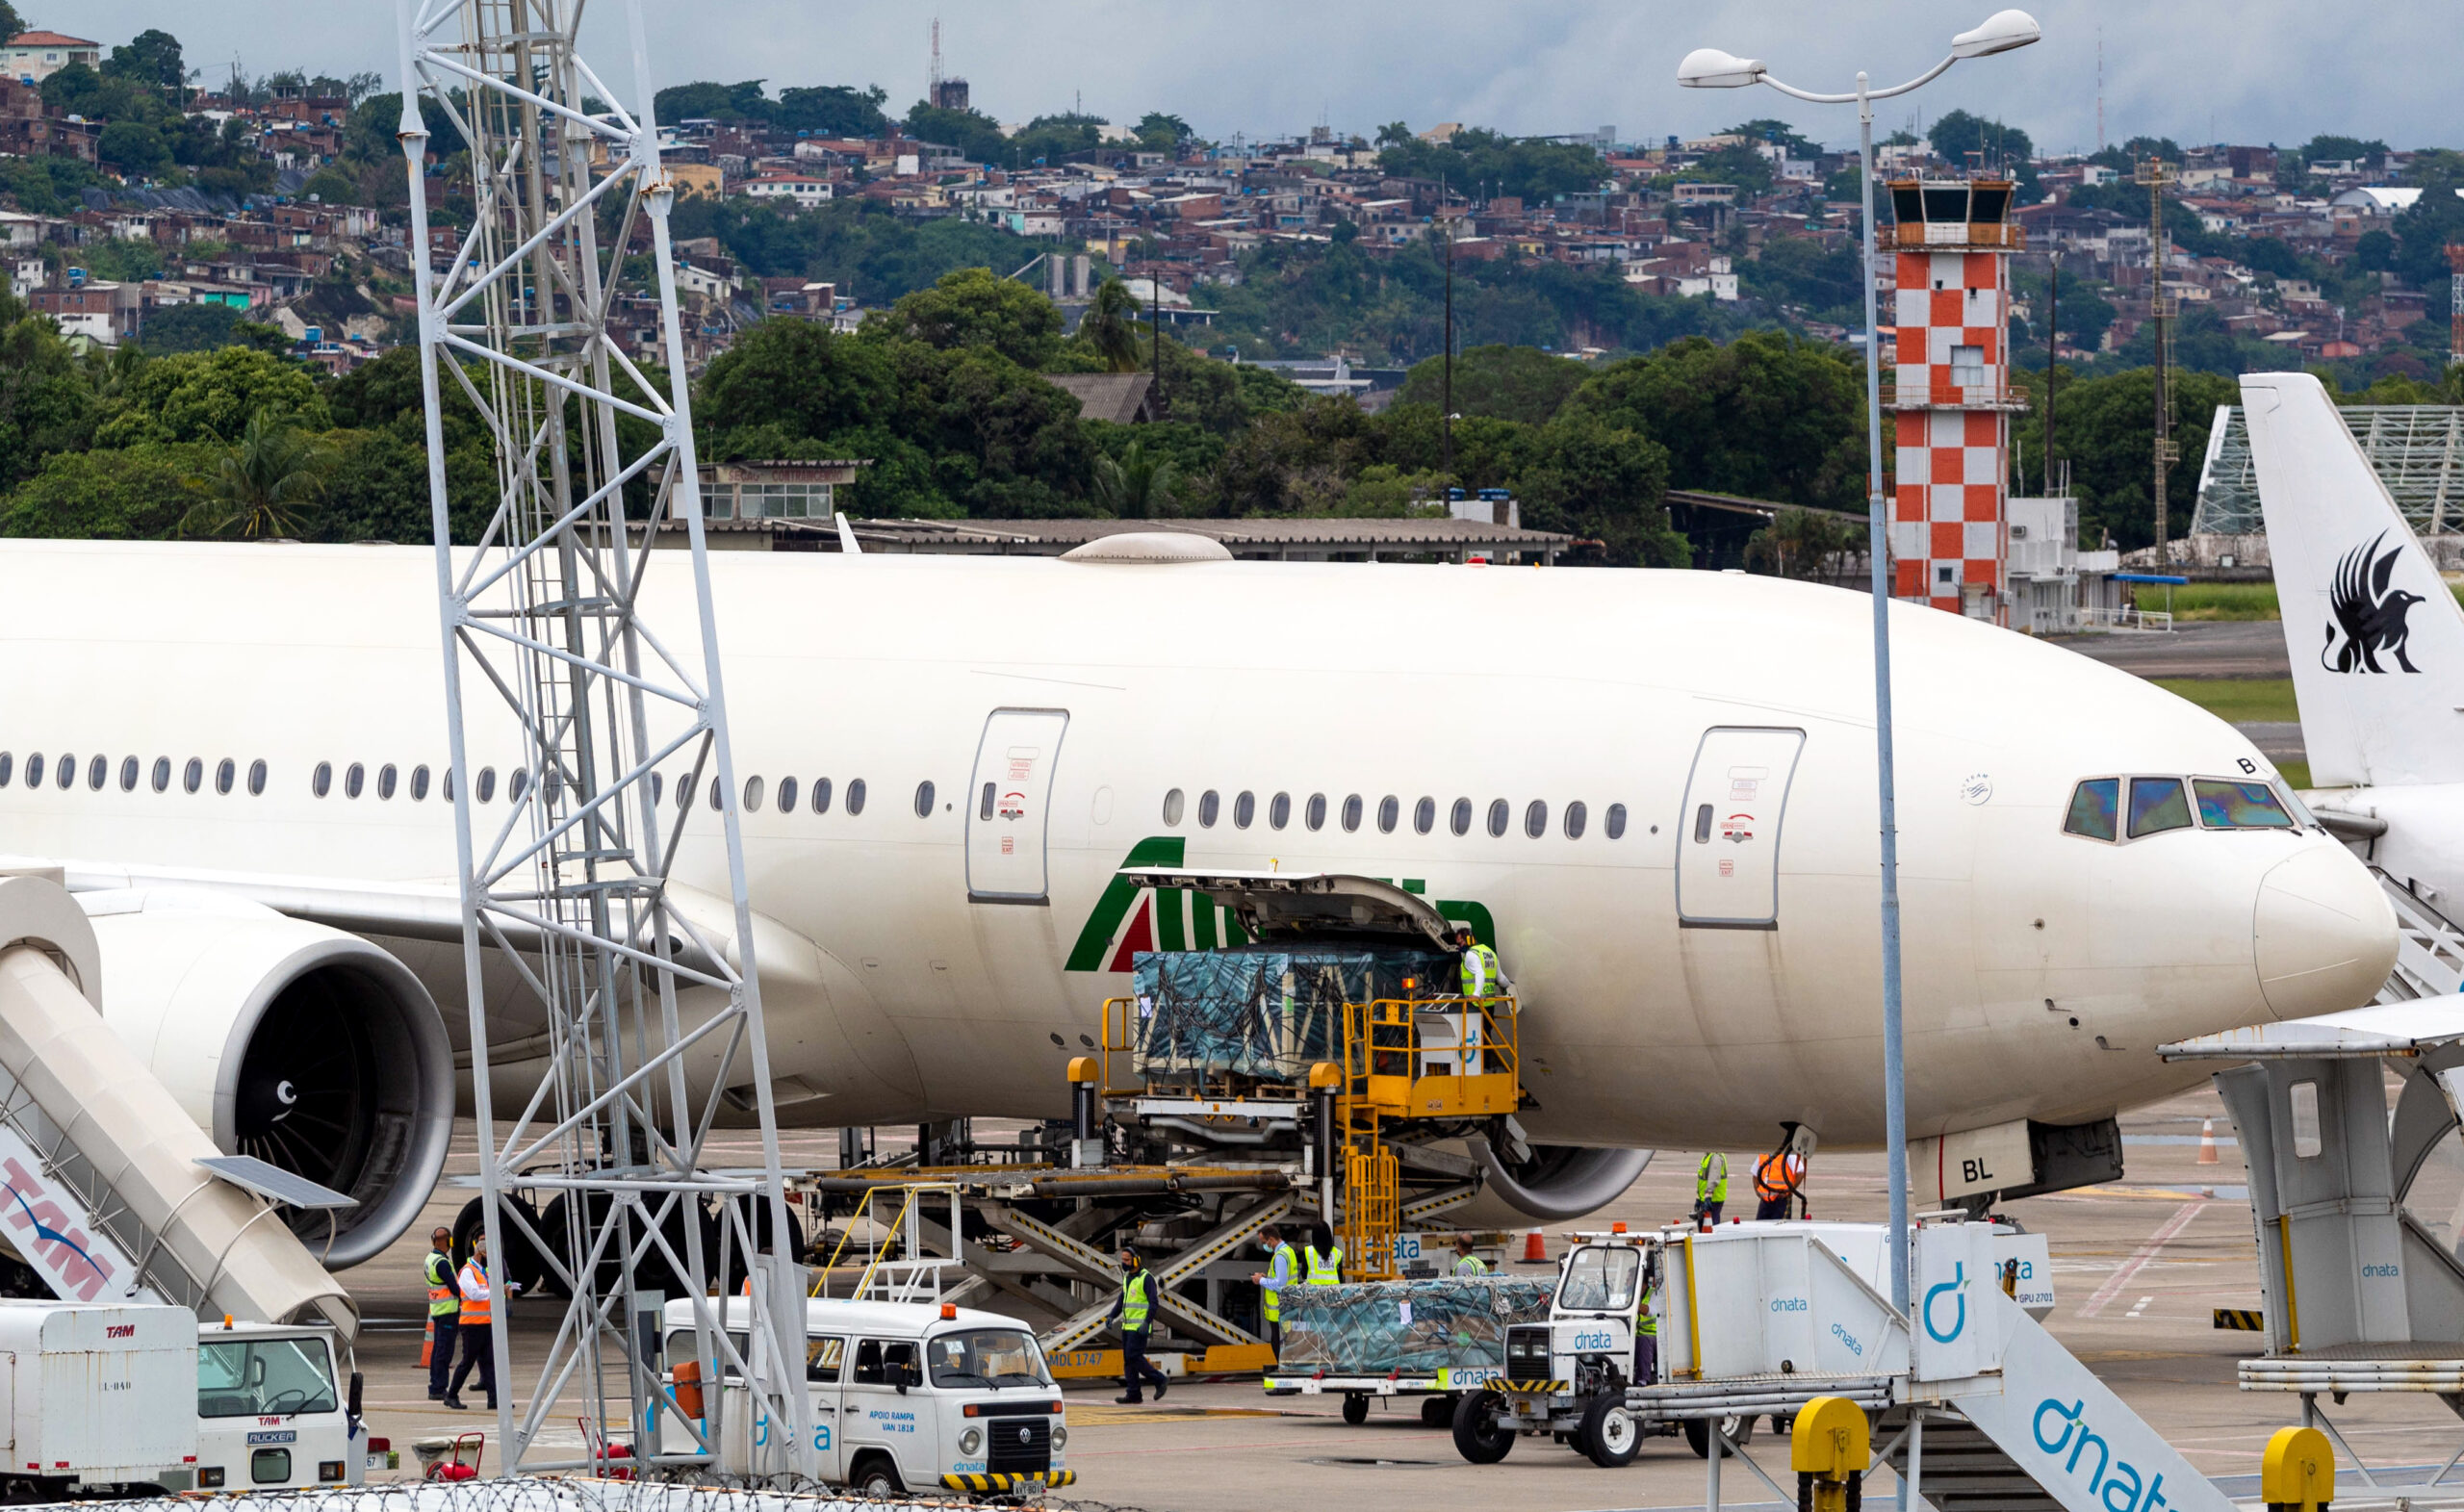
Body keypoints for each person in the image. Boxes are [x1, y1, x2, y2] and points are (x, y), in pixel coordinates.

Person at [445, 1231, 520, 1411]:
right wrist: (497, 1290)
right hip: (472, 1325)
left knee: (488, 1362)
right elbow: (475, 1294)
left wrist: (503, 1291)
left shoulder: (482, 1271)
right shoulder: (467, 1272)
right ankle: (451, 1394)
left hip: (485, 1323)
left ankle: (494, 1399)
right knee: (467, 1361)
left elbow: (487, 1295)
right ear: (480, 1252)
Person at [1108, 1246, 1168, 1404]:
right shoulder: (1128, 1278)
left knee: (1133, 1356)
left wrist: (1147, 1322)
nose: (1124, 1263)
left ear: (1136, 1260)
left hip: (1139, 1327)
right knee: (1128, 1361)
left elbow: (1154, 1303)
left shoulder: (1146, 1278)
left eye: (1127, 1260)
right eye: (1123, 1260)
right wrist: (1111, 1316)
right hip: (1127, 1327)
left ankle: (1160, 1379)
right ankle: (1134, 1394)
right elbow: (1122, 1300)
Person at [422, 1227, 461, 1401]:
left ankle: (435, 1385)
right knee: (444, 1352)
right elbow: (455, 1288)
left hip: (438, 1310)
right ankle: (438, 1388)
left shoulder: (430, 1259)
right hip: (447, 1312)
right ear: (448, 1242)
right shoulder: (442, 1263)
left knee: (438, 1350)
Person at [1248, 1224, 1294, 1354]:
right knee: (1285, 1341)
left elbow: (1280, 1284)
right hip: (1287, 1305)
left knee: (1278, 1343)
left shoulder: (1280, 1256)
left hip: (1279, 1308)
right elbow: (1283, 1279)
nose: (1264, 1245)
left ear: (1271, 1240)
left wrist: (1260, 1280)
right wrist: (1267, 1277)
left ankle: (1282, 1369)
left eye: (1264, 1242)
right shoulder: (1288, 1251)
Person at [1754, 1146, 1806, 1220]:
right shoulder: (1762, 1155)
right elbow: (1755, 1175)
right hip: (1765, 1201)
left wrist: (1789, 1190)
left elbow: (1800, 1172)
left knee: (1779, 1227)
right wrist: (1758, 1191)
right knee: (1760, 1227)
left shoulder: (1788, 1155)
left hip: (1781, 1200)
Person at [1455, 925, 1505, 1002]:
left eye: (1460, 943)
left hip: (1475, 1003)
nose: (1459, 946)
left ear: (1470, 939)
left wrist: (1476, 994)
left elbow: (1480, 973)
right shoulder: (1490, 953)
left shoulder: (1471, 954)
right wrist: (1509, 985)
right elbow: (1501, 979)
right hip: (1489, 1003)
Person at [1694, 1151, 1730, 1228]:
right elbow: (1702, 1179)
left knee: (1710, 1226)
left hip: (1713, 1200)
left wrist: (1708, 1196)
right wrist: (1698, 1198)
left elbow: (1713, 1178)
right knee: (1703, 1225)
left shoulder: (1715, 1157)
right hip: (1705, 1198)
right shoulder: (1707, 1156)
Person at [1302, 1222, 1343, 1286]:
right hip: (1333, 1292)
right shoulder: (1337, 1253)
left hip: (1314, 1293)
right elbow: (1340, 1277)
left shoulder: (1308, 1251)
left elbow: (1304, 1274)